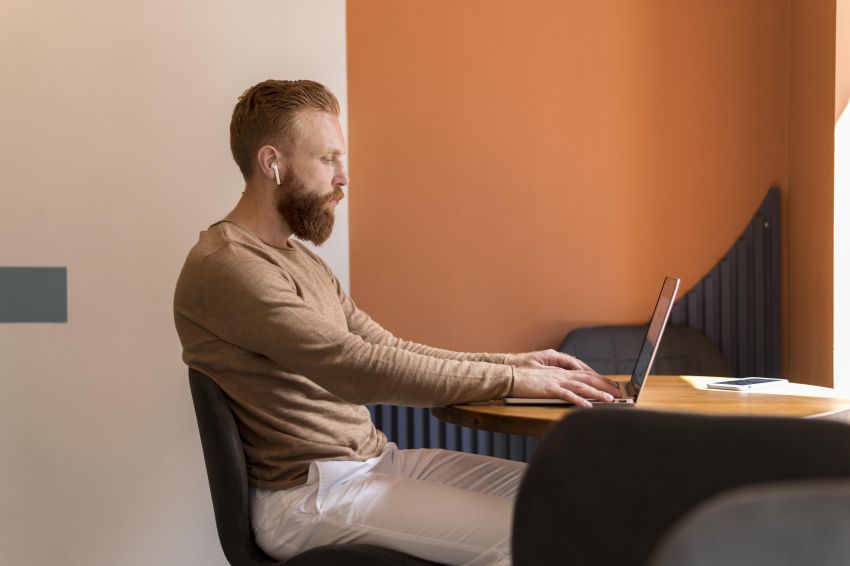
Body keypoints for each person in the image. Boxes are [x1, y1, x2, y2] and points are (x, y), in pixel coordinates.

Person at [173, 79, 621, 565]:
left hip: (376, 465)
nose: (343, 177)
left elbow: (384, 346)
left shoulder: (299, 259)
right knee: (533, 535)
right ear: (272, 163)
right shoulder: (228, 266)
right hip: (306, 497)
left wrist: (513, 363)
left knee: (569, 502)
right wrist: (512, 379)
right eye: (327, 160)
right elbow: (353, 367)